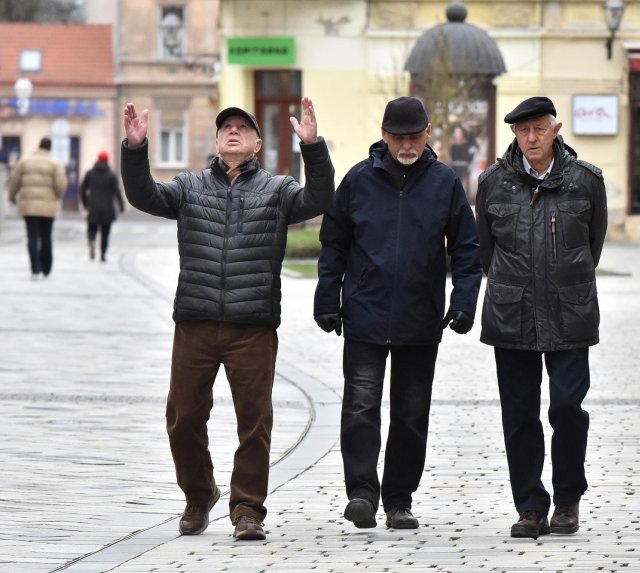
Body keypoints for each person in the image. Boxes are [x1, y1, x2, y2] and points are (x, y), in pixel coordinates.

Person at [120, 99, 334, 540]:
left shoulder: (278, 189)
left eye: (243, 128)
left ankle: (247, 510)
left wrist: (312, 148)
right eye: (226, 128)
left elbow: (319, 199)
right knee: (182, 418)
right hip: (196, 322)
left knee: (254, 421)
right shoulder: (190, 186)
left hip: (252, 325)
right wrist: (136, 148)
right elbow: (145, 196)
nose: (233, 132)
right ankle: (200, 495)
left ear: (257, 144)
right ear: (217, 141)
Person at [313, 96, 482, 530]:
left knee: (410, 415)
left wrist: (464, 302)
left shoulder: (445, 183)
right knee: (360, 408)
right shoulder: (357, 181)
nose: (406, 144)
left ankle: (399, 499)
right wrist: (326, 297)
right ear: (384, 136)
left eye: (414, 136)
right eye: (397, 136)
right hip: (365, 316)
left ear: (428, 135)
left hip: (420, 320)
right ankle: (363, 495)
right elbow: (333, 245)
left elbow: (467, 250)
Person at [475, 96, 607, 539]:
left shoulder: (586, 181)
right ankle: (530, 505)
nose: (531, 138)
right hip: (511, 314)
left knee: (568, 408)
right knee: (519, 415)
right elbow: (485, 251)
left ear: (556, 129)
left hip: (571, 312)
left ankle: (567, 500)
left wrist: (564, 281)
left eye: (539, 129)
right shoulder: (493, 182)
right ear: (514, 134)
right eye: (523, 130)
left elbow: (593, 245)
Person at [7, 137, 67, 280]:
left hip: (29, 206)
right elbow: (60, 185)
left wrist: (12, 197)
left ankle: (35, 269)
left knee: (32, 237)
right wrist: (56, 196)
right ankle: (46, 268)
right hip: (48, 207)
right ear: (50, 148)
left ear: (38, 146)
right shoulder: (55, 164)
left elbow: (14, 181)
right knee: (46, 237)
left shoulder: (25, 161)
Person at [80, 151, 125, 262]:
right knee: (105, 233)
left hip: (93, 207)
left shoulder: (90, 173)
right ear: (107, 160)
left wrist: (85, 203)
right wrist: (121, 206)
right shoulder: (111, 175)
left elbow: (82, 189)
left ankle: (92, 240)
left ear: (98, 159)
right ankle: (103, 255)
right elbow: (117, 192)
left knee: (92, 229)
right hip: (107, 209)